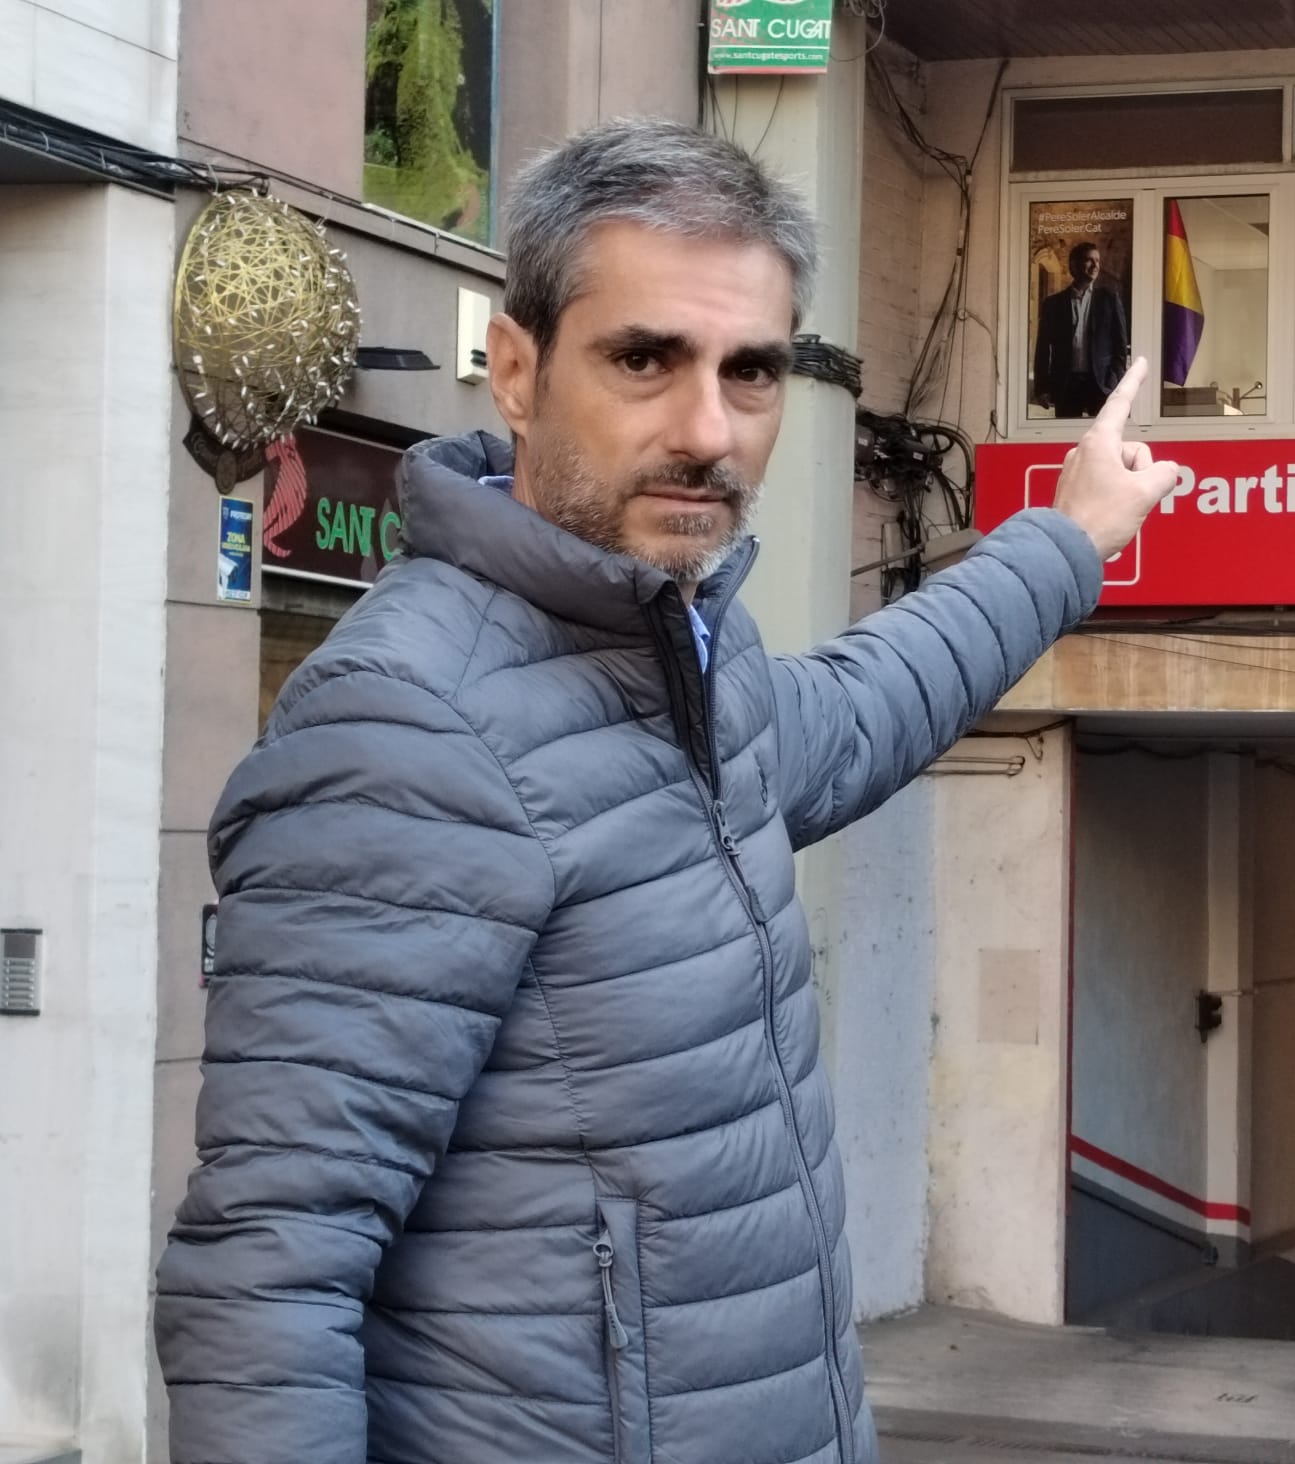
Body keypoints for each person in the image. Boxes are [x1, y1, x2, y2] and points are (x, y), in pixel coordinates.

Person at [153, 117, 1176, 1464]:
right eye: (645, 358)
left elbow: (869, 701)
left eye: (751, 372)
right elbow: (269, 1277)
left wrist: (1069, 536)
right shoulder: (410, 721)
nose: (708, 430)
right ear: (515, 370)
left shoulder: (687, 653)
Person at [1033, 241, 1131, 418]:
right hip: (1066, 384)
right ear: (1074, 265)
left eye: (1098, 261)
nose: (1095, 266)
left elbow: (1120, 346)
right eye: (1089, 260)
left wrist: (1114, 380)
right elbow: (1042, 348)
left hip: (1100, 384)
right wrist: (1041, 388)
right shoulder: (1053, 304)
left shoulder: (1109, 299)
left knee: (1101, 438)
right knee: (1068, 439)